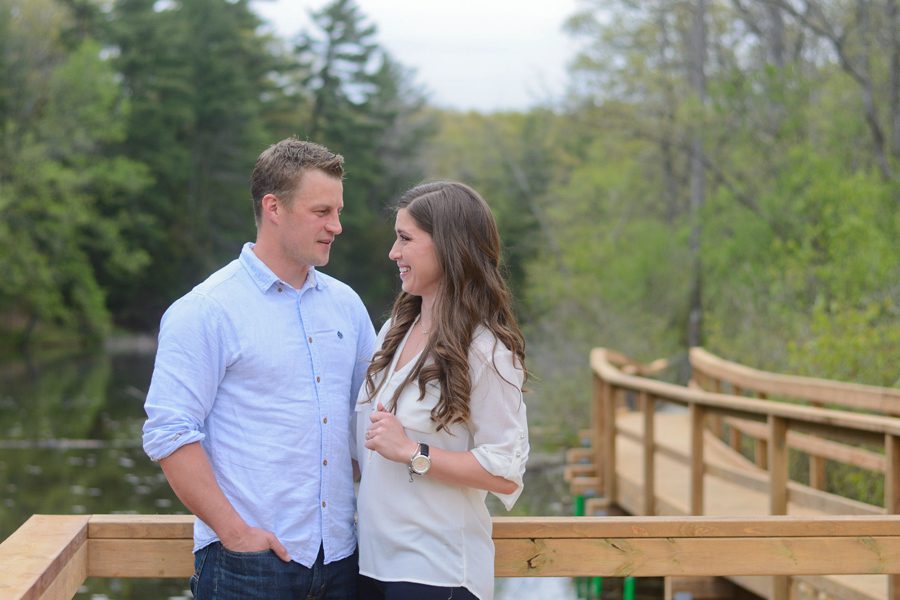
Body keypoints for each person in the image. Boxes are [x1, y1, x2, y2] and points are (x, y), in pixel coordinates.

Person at [142, 138, 376, 599]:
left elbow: (368, 415)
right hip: (246, 567)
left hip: (342, 560)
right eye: (322, 211)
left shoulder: (346, 306)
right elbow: (169, 432)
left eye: (338, 211)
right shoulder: (207, 310)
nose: (337, 226)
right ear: (274, 207)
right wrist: (236, 534)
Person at [353, 181, 529, 600]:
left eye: (405, 239)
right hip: (370, 565)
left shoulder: (486, 349)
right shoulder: (393, 333)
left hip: (437, 574)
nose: (393, 253)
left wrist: (415, 453)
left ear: (448, 247)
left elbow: (504, 471)